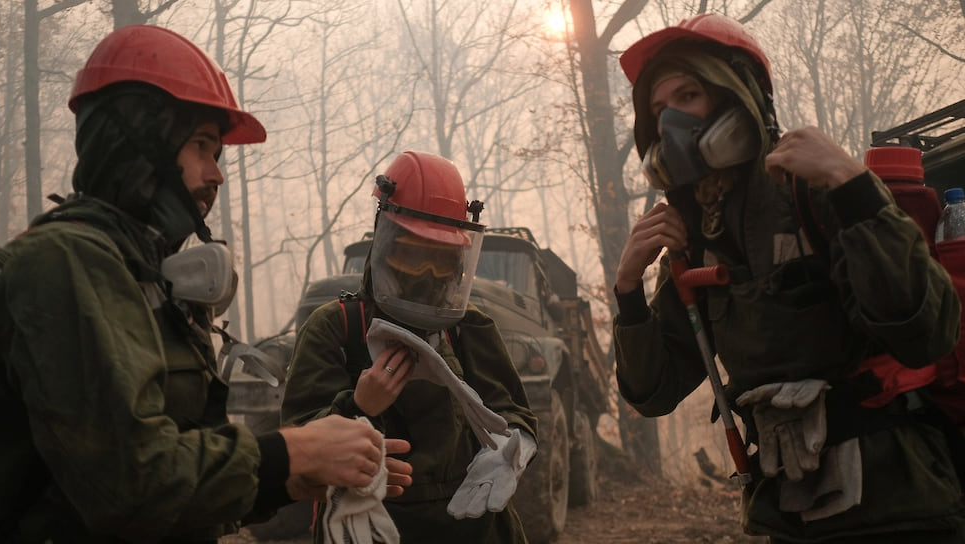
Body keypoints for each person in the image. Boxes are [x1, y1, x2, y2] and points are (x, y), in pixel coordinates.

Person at [0, 25, 412, 543]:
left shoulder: (142, 273)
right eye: (201, 147)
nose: (215, 174)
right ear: (135, 142)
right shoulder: (64, 263)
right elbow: (129, 485)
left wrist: (298, 477)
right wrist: (296, 450)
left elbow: (179, 482)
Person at [612, 13, 965, 543]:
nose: (671, 123)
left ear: (737, 96)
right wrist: (628, 292)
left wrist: (854, 189)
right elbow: (652, 394)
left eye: (688, 96)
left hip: (898, 507)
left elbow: (925, 336)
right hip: (789, 514)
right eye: (659, 109)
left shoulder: (816, 188)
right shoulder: (692, 238)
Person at [281, 150, 538, 544]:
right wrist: (358, 408)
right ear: (386, 243)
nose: (428, 274)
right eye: (413, 256)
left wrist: (510, 452)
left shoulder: (468, 327)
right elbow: (298, 442)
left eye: (440, 259)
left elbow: (511, 410)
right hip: (371, 522)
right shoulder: (337, 328)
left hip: (474, 524)